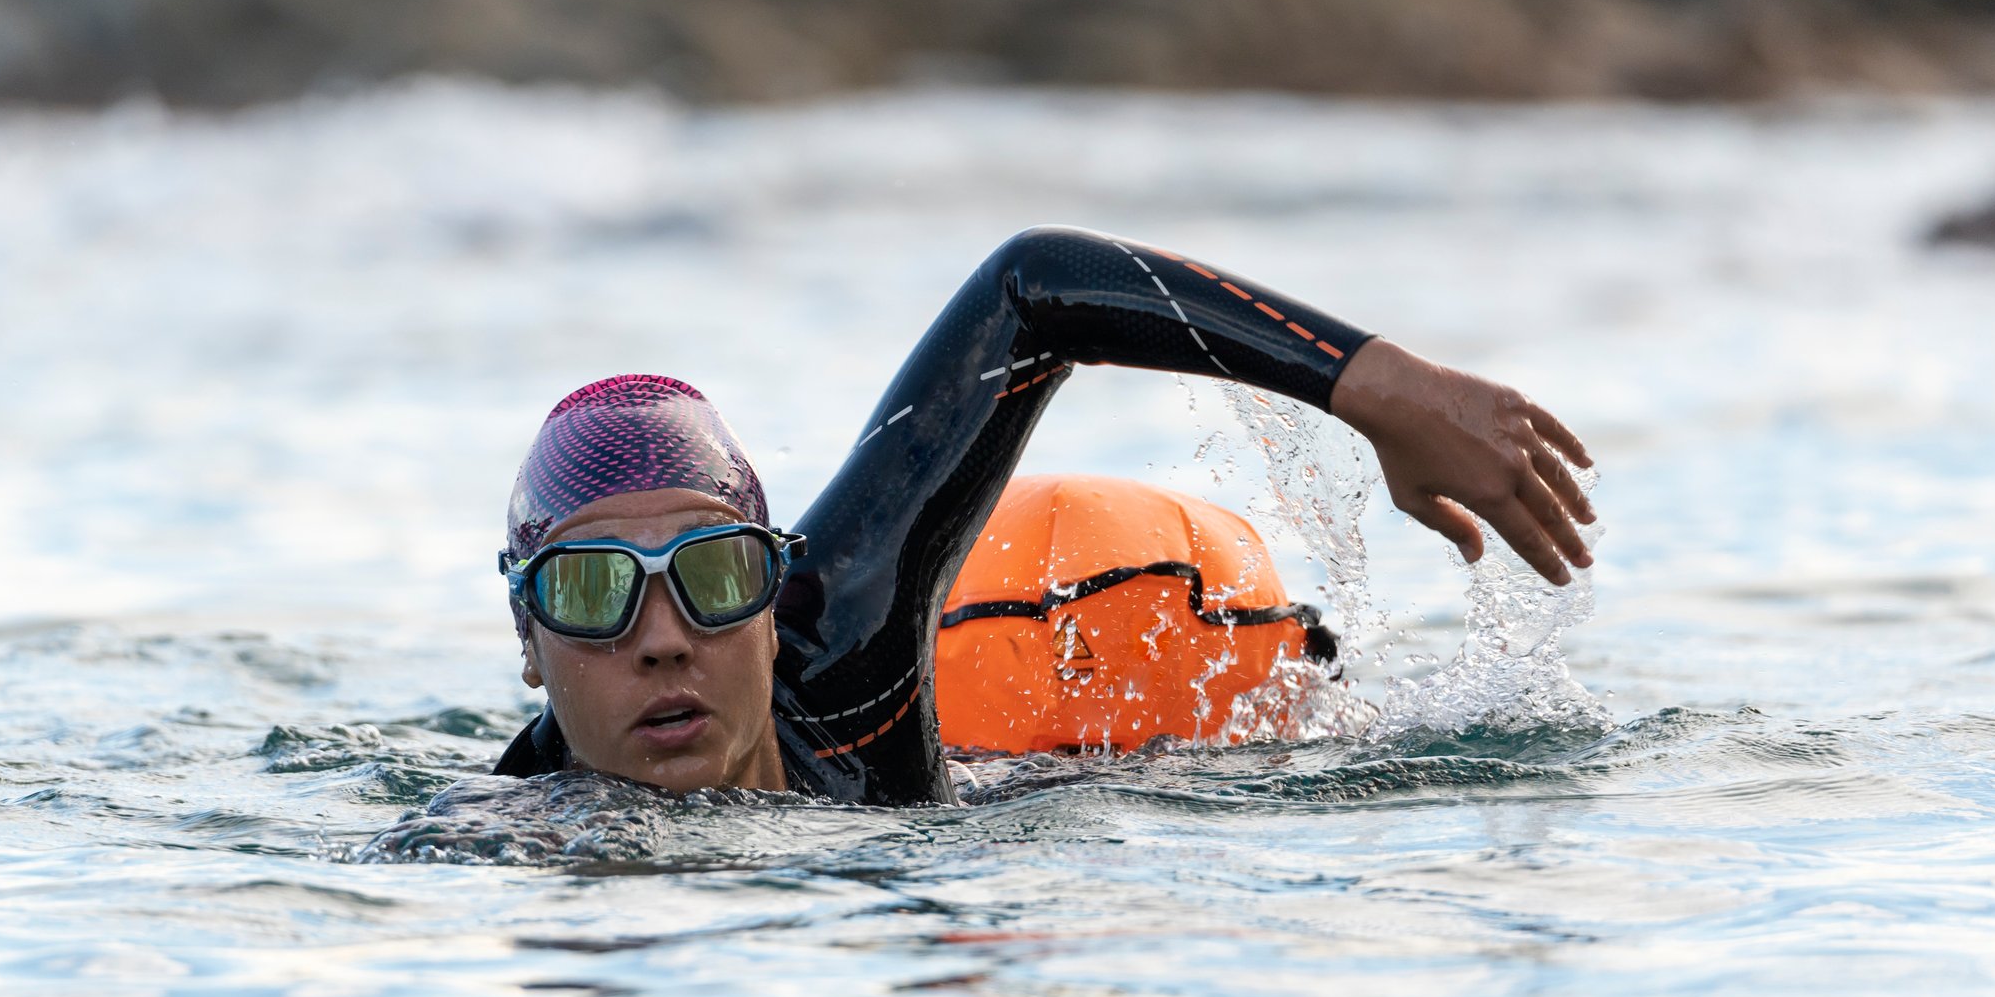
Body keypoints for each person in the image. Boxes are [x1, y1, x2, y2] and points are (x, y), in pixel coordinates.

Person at [495, 226, 1594, 805]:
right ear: (530, 646)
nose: (666, 638)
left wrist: (1380, 389)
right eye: (592, 591)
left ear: (779, 599)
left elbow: (1026, 291)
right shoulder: (500, 845)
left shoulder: (847, 649)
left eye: (717, 573)